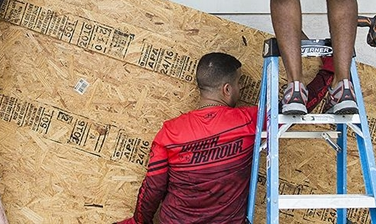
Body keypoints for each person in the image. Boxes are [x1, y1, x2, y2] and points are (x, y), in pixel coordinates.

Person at [116, 52, 333, 224]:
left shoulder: (169, 132)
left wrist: (139, 220)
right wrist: (330, 71)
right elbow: (295, 108)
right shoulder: (249, 122)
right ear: (227, 89)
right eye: (238, 85)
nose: (239, 90)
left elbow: (152, 188)